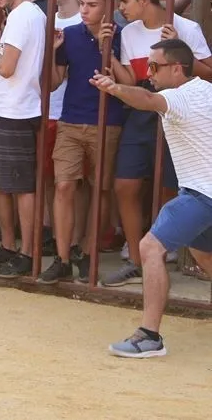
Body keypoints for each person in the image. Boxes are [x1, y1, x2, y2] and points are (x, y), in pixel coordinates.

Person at [90, 39, 212, 358]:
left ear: (177, 69)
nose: (148, 73)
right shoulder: (206, 90)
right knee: (205, 256)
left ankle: (149, 337)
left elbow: (145, 99)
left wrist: (115, 88)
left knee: (150, 247)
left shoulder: (179, 96)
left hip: (201, 195)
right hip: (203, 192)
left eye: (154, 66)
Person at [103, 0, 212, 287]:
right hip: (143, 108)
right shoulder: (129, 32)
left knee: (170, 186)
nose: (120, 8)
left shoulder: (186, 27)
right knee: (125, 184)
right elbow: (131, 81)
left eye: (124, 1)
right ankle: (137, 260)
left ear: (143, 0)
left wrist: (181, 49)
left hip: (183, 110)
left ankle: (162, 251)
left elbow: (208, 73)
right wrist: (108, 52)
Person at [41, 0, 124, 285]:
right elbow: (52, 84)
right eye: (83, 4)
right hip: (70, 121)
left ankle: (88, 253)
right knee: (63, 185)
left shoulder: (121, 36)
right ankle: (62, 258)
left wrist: (107, 50)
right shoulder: (70, 35)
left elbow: (130, 82)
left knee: (100, 188)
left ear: (109, 7)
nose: (85, 10)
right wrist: (52, 53)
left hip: (108, 122)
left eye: (92, 5)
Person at [0, 0, 47, 278]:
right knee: (3, 183)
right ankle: (10, 247)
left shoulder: (22, 15)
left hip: (18, 110)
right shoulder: (26, 14)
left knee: (22, 186)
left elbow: (6, 68)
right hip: (10, 109)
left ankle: (27, 254)